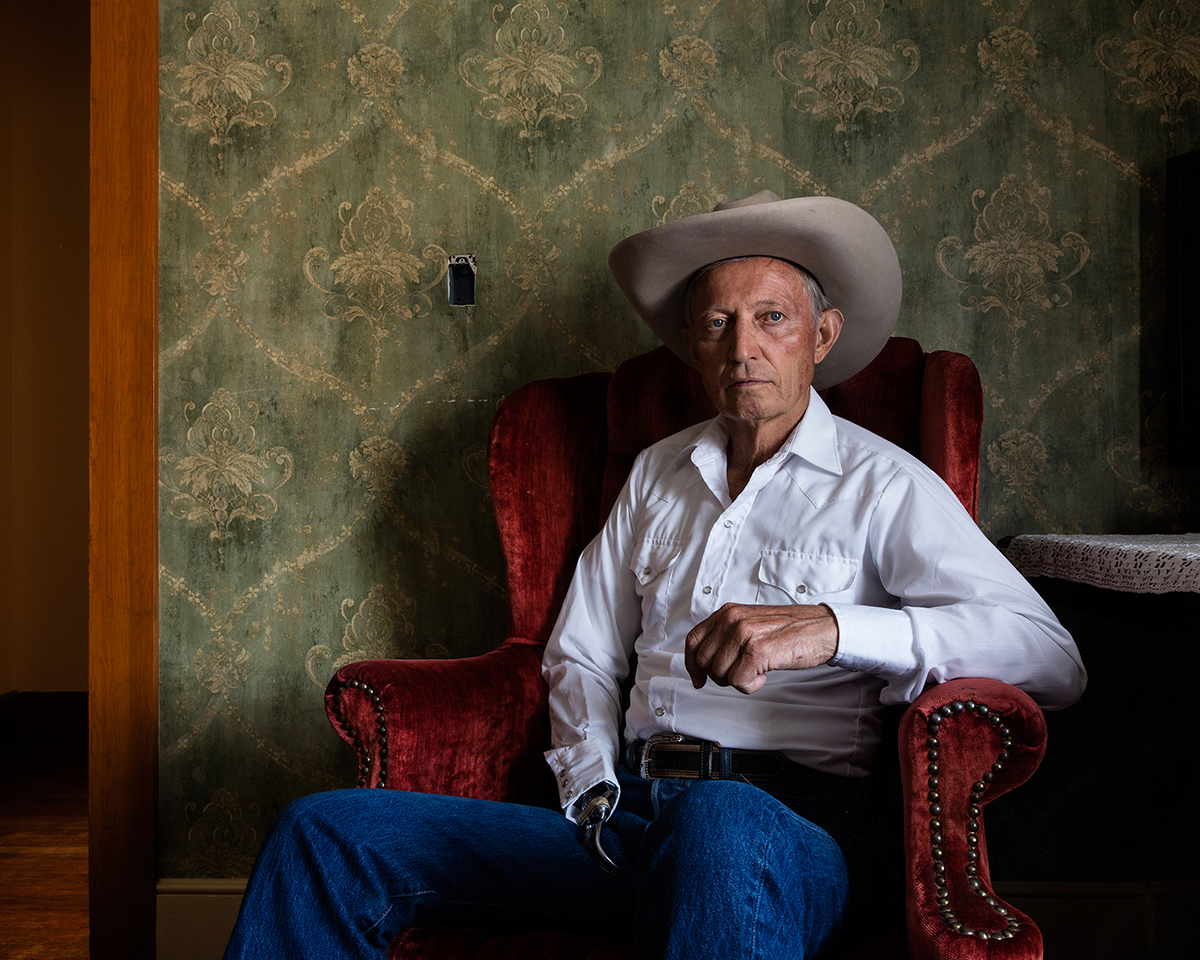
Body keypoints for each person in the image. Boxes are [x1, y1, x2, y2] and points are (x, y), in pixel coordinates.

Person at [223, 191, 1086, 960]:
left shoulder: (886, 484)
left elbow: (1050, 657)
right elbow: (582, 652)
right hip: (626, 815)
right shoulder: (655, 475)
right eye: (717, 323)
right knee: (324, 834)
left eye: (773, 318)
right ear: (689, 349)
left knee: (720, 821)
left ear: (822, 336)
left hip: (797, 828)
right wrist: (589, 783)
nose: (744, 346)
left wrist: (834, 629)